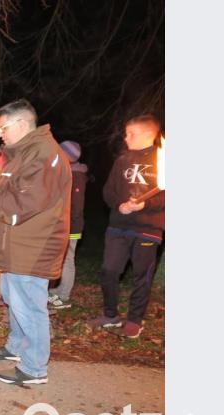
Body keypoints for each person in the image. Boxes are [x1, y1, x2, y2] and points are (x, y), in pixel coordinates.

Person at [0, 99, 72, 385]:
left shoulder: (44, 155)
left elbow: (25, 203)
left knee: (29, 306)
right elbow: (7, 192)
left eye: (3, 128)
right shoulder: (24, 154)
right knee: (14, 299)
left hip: (32, 246)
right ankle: (17, 347)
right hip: (14, 246)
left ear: (23, 124)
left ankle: (34, 368)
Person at [88, 114, 164, 339]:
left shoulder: (163, 160)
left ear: (148, 134)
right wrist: (120, 205)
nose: (126, 137)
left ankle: (135, 320)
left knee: (142, 275)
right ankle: (110, 315)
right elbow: (108, 191)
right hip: (118, 226)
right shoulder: (122, 161)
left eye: (131, 134)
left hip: (148, 228)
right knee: (109, 270)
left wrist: (145, 204)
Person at [47, 141, 88, 310]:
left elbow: (76, 205)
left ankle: (64, 296)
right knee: (59, 259)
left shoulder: (76, 176)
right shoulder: (65, 172)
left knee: (67, 259)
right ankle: (56, 290)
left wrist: (68, 225)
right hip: (61, 224)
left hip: (71, 226)